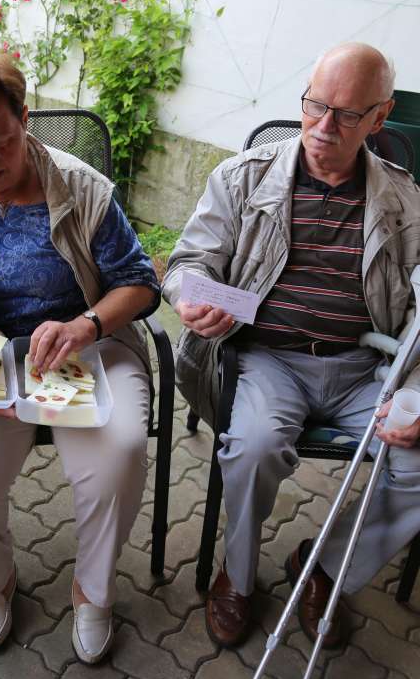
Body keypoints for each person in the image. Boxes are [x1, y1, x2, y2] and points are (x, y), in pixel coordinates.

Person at [0, 52, 160, 663]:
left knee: (121, 449)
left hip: (89, 346)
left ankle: (93, 591)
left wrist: (85, 323)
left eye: (2, 140)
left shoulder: (81, 188)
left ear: (25, 120)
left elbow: (141, 283)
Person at [163, 42, 420, 648]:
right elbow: (186, 263)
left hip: (368, 368)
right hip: (269, 360)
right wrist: (191, 298)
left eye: (347, 115)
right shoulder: (242, 177)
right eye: (314, 106)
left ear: (379, 119)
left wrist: (415, 391)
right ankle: (240, 575)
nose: (323, 127)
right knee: (252, 447)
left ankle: (327, 568)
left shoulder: (406, 203)